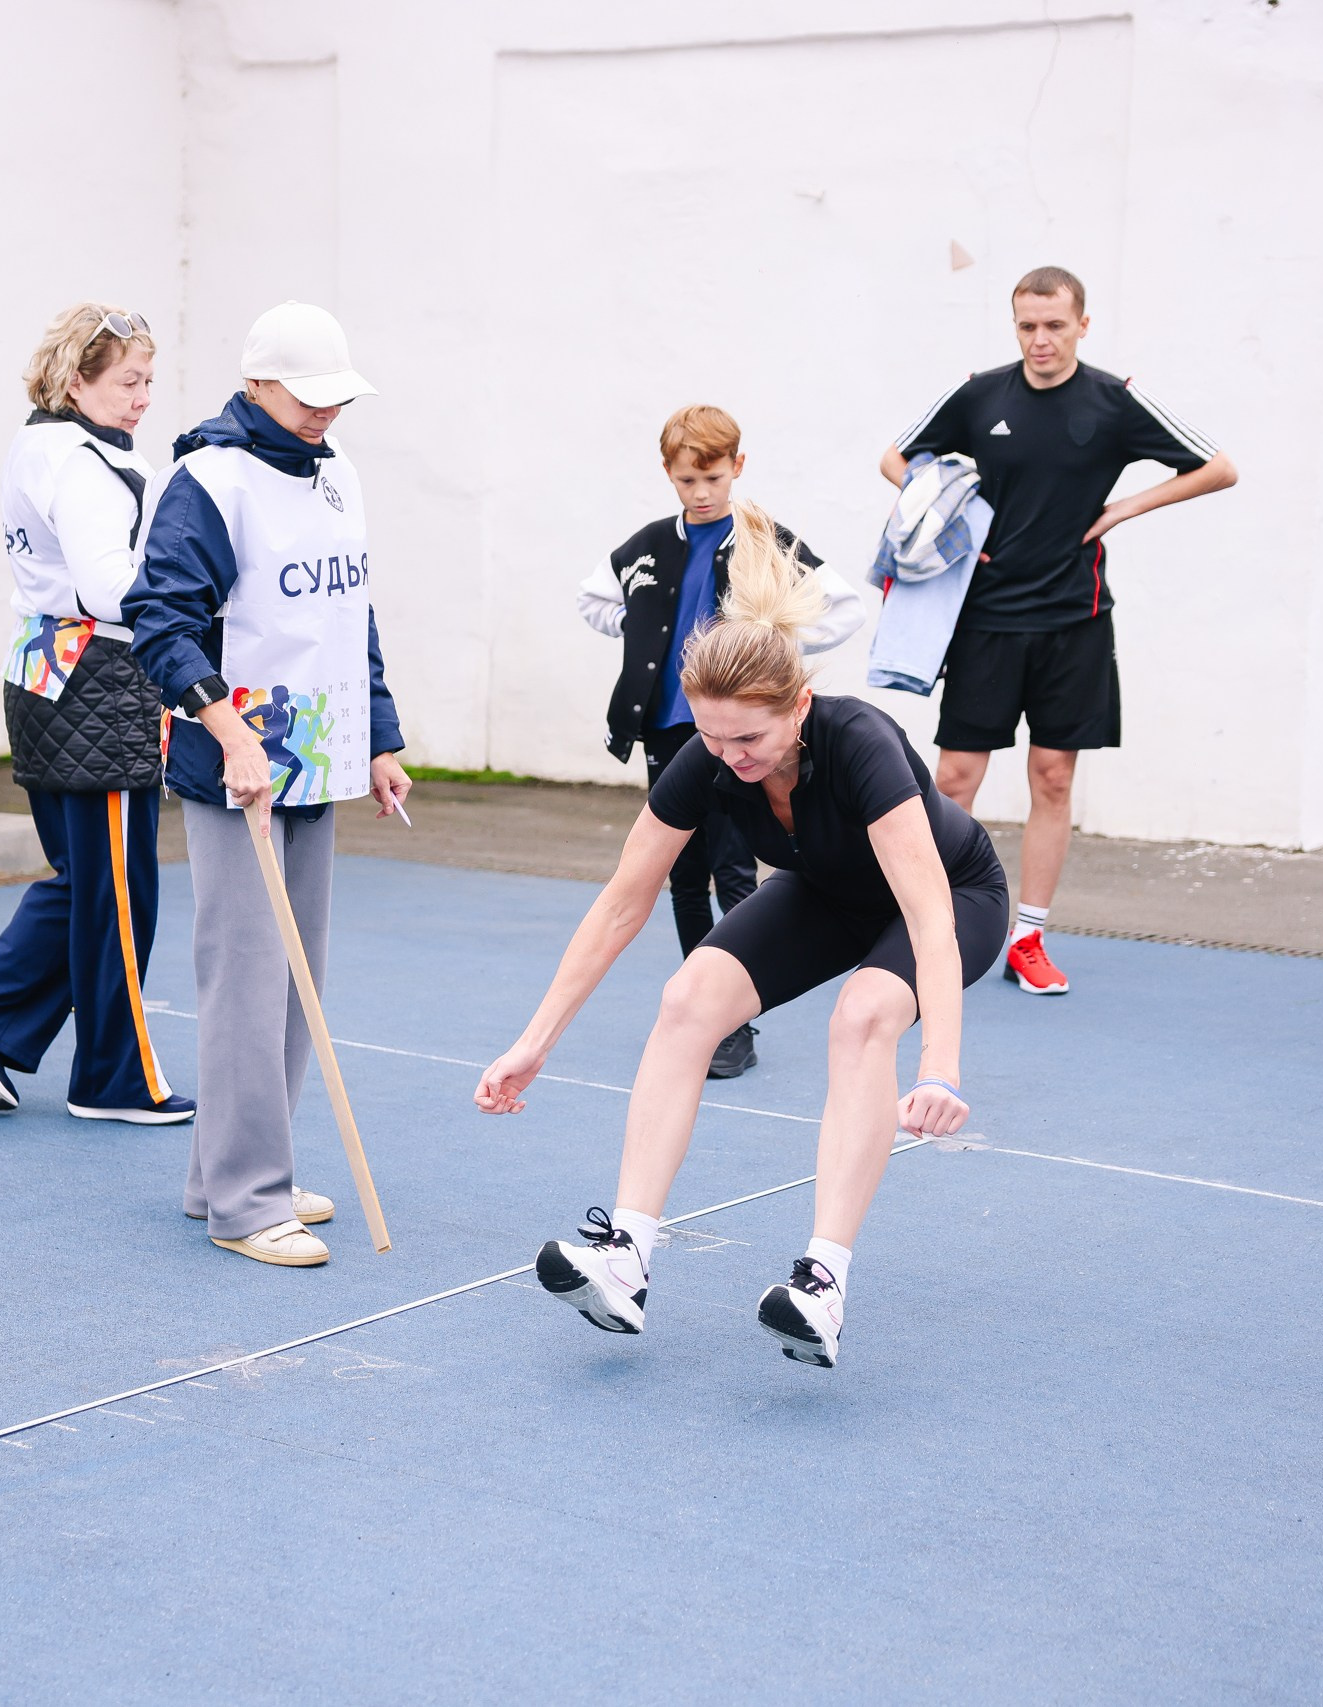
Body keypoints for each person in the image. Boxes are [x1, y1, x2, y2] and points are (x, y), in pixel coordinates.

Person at [478, 511, 1007, 1370]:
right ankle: (626, 1257)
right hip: (829, 889)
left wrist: (939, 1064)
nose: (730, 755)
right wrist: (534, 1042)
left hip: (948, 895)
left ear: (799, 705)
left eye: (749, 737)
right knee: (689, 997)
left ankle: (822, 1285)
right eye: (712, 735)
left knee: (863, 1012)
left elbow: (928, 916)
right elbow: (621, 905)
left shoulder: (862, 744)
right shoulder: (711, 759)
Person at [125, 301, 412, 1268]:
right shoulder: (208, 479)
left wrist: (379, 738)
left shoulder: (340, 477)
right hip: (235, 772)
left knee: (296, 979)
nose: (326, 413)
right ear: (255, 385)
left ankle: (236, 1170)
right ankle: (246, 1204)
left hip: (317, 762)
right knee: (245, 980)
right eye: (307, 396)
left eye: (338, 397)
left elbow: (349, 616)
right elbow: (158, 618)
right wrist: (222, 727)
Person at [884, 265, 1237, 996]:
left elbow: (1218, 467)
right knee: (954, 778)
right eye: (1027, 326)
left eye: (1054, 325)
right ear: (1015, 325)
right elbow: (897, 456)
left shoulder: (1115, 401)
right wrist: (948, 518)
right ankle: (935, 925)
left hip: (1074, 620)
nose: (1040, 339)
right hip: (984, 618)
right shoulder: (983, 393)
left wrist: (1124, 509)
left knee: (1053, 777)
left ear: (1082, 323)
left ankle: (1029, 936)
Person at [0, 304, 194, 1125]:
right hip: (97, 678)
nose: (144, 397)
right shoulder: (84, 464)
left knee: (92, 884)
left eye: (150, 380)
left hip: (48, 667)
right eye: (127, 380)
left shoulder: (40, 440)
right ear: (77, 379)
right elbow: (110, 583)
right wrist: (188, 602)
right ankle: (107, 1075)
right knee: (117, 892)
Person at [576, 405, 862, 1079]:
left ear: (737, 467)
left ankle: (735, 1019)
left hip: (738, 736)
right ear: (669, 476)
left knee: (736, 870)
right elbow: (592, 598)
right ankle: (699, 1001)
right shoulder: (649, 544)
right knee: (683, 872)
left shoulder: (766, 539)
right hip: (670, 729)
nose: (700, 492)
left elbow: (843, 605)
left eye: (710, 477)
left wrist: (776, 644)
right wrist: (644, 628)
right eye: (685, 481)